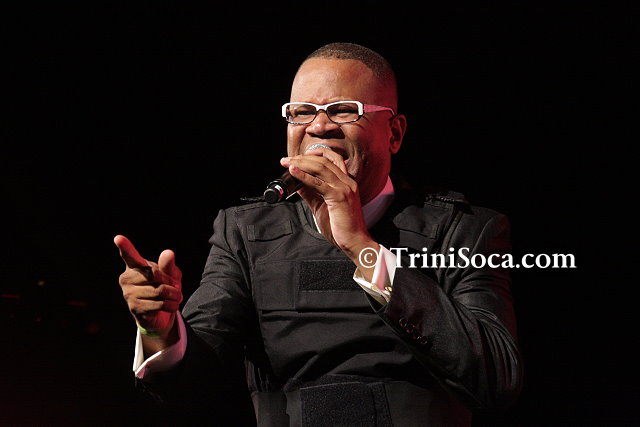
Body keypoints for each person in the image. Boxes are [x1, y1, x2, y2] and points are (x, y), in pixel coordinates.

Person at [115, 42, 523, 426]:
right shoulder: (245, 232)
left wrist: (361, 247)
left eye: (344, 111)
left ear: (394, 133)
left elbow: (497, 378)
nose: (320, 127)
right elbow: (193, 389)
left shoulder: (463, 230)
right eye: (302, 112)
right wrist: (161, 331)